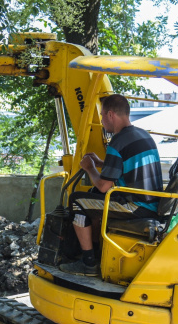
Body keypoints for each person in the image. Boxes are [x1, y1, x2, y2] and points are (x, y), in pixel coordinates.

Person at [60, 94, 163, 276]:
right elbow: (126, 165)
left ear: (110, 115)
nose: (101, 120)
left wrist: (90, 168)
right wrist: (101, 162)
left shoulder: (118, 141)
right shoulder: (142, 135)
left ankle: (89, 263)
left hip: (136, 206)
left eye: (101, 116)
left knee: (77, 200)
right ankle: (99, 251)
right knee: (91, 194)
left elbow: (103, 186)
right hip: (153, 202)